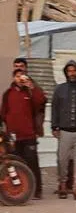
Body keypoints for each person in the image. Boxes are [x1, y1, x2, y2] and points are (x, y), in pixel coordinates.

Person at [0, 63, 46, 199]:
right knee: (14, 162)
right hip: (13, 136)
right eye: (17, 76)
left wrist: (31, 86)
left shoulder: (30, 92)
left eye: (22, 75)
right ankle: (19, 190)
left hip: (29, 134)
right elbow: (3, 113)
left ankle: (37, 190)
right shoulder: (8, 94)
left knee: (32, 161)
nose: (19, 78)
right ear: (14, 78)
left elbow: (41, 102)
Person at [50, 59, 76, 199]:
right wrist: (54, 126)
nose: (72, 73)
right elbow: (54, 109)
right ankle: (62, 184)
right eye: (69, 71)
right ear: (66, 73)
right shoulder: (60, 89)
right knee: (62, 159)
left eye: (74, 71)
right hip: (64, 131)